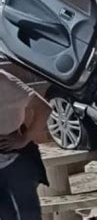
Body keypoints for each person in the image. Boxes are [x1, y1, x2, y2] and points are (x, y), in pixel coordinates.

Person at [0, 69, 51, 220]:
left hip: (15, 159)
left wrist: (24, 139)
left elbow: (44, 108)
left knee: (28, 215)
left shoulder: (5, 82)